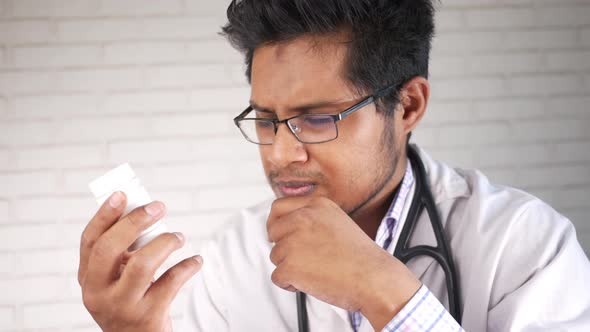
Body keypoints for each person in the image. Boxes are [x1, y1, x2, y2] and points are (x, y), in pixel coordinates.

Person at [77, 0, 590, 331]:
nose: (279, 154)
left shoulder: (524, 243)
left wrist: (383, 289)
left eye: (318, 118)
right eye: (265, 120)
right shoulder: (236, 254)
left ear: (408, 105)